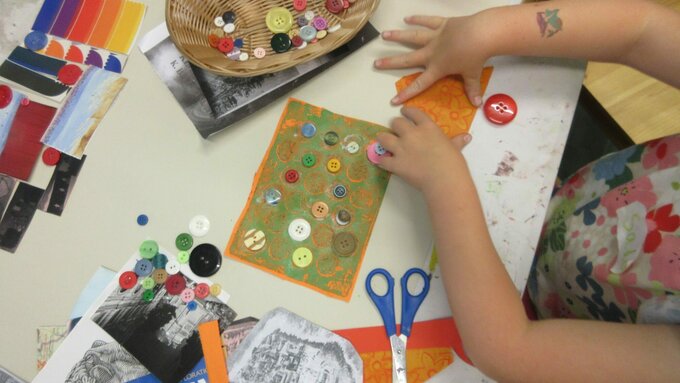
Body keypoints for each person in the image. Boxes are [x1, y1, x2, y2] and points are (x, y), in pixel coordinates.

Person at [372, 0, 680, 381]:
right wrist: (488, 30)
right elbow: (642, 29)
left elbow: (509, 350)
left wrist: (445, 184)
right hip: (568, 212)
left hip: (553, 321)